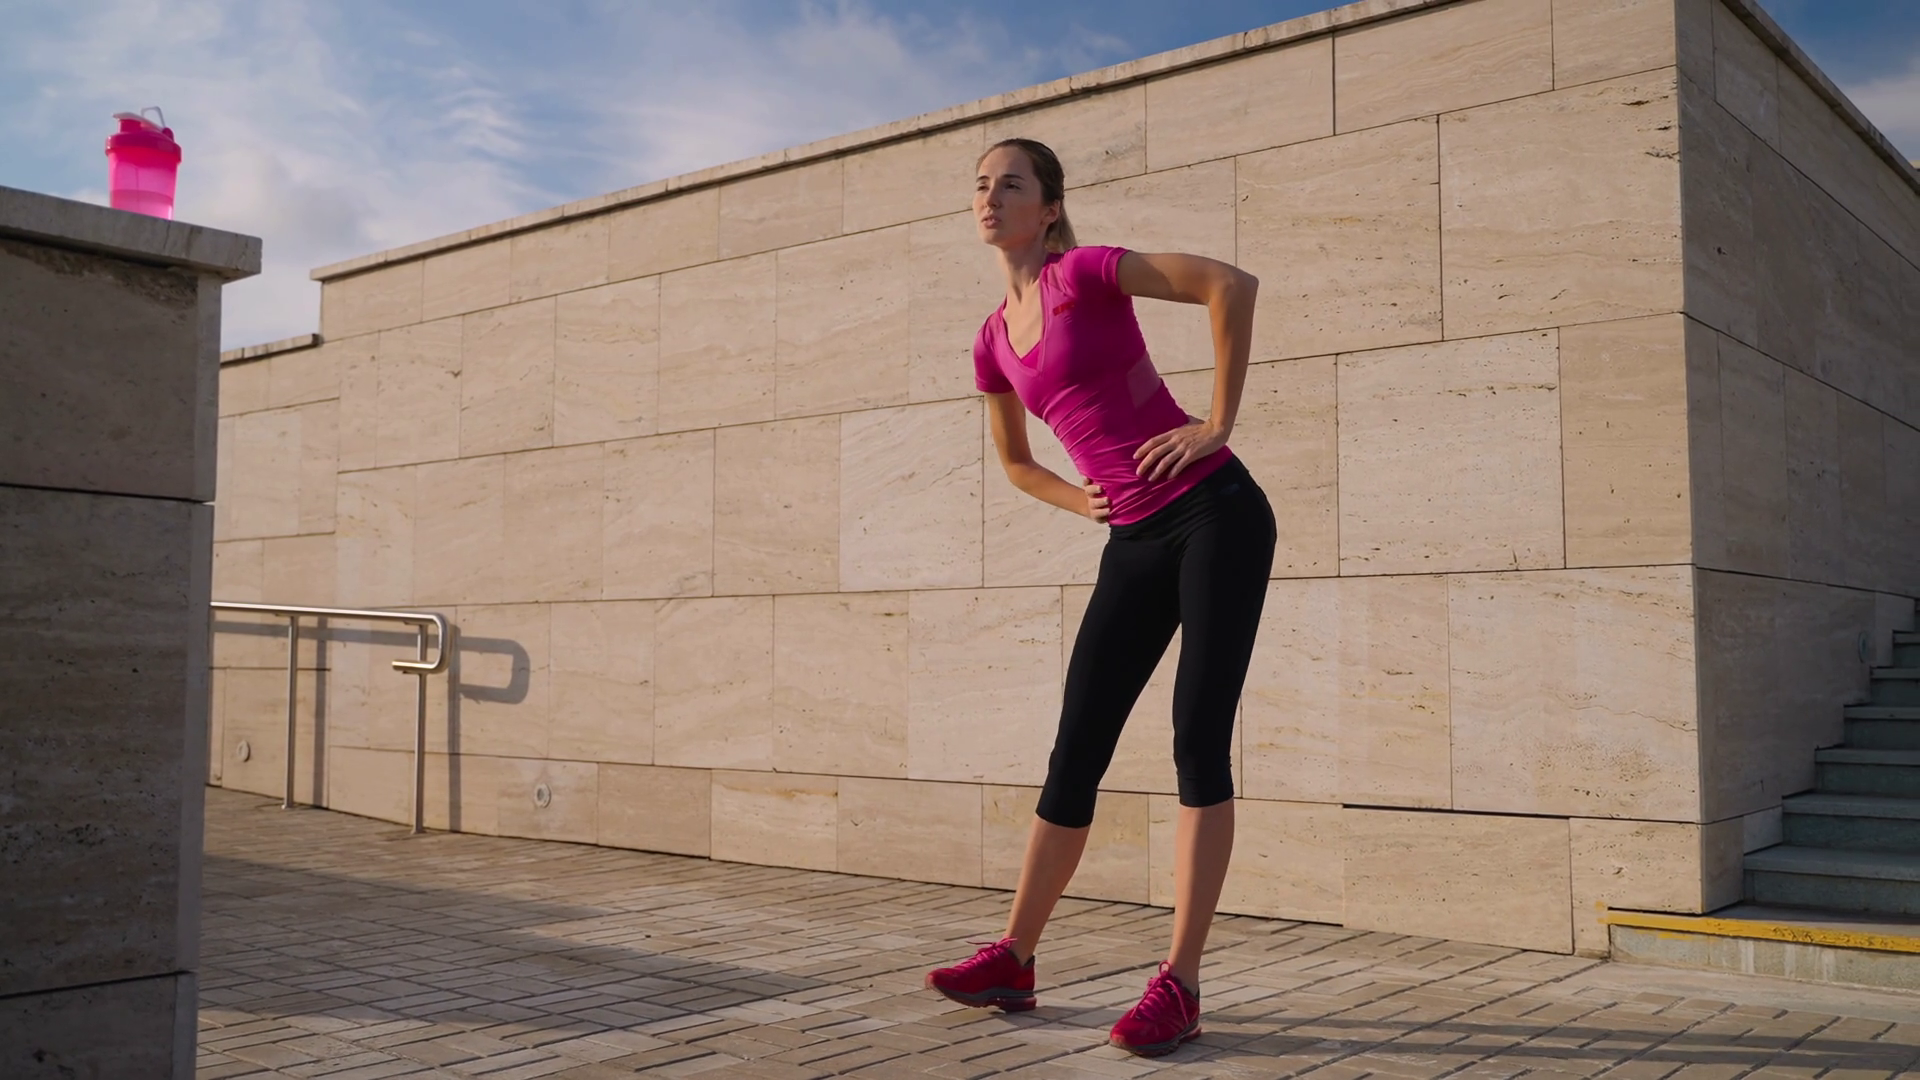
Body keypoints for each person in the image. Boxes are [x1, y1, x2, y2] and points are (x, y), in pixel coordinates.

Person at [923, 137, 1276, 1058]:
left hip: (1216, 512)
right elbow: (1014, 461)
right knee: (1076, 746)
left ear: (1048, 208)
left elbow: (1229, 285)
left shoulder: (1085, 274)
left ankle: (1181, 984)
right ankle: (1015, 959)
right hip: (1135, 541)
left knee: (1197, 738)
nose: (990, 197)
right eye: (981, 185)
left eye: (1011, 184)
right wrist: (1077, 498)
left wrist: (1216, 423)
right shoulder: (991, 341)